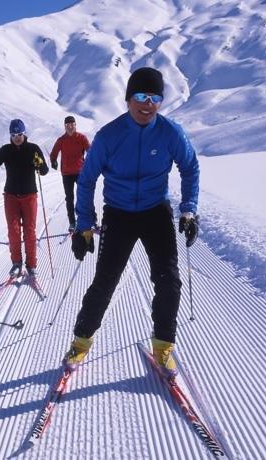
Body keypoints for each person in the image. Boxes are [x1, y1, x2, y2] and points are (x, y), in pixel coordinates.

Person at [63, 67, 200, 377]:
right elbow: (86, 180)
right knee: (105, 281)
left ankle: (163, 347)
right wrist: (84, 225)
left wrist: (189, 210)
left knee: (169, 281)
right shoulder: (109, 135)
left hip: (155, 211)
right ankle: (80, 343)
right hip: (119, 213)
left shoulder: (171, 132)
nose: (147, 104)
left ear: (160, 103)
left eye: (154, 98)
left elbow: (190, 167)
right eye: (140, 96)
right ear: (128, 99)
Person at [0, 119, 49, 277]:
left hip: (29, 196)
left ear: (24, 133)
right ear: (10, 135)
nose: (17, 138)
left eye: (19, 134)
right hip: (11, 196)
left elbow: (45, 171)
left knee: (29, 231)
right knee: (13, 231)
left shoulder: (33, 149)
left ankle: (31, 265)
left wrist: (39, 163)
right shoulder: (5, 150)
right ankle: (16, 263)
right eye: (13, 135)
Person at [49, 115, 95, 232]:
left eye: (72, 125)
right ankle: (72, 222)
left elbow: (90, 151)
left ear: (75, 125)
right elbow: (53, 153)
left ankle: (92, 219)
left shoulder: (81, 138)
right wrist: (53, 161)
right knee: (69, 198)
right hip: (66, 174)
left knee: (84, 196)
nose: (70, 127)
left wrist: (93, 161)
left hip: (80, 172)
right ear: (65, 126)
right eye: (67, 125)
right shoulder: (61, 140)